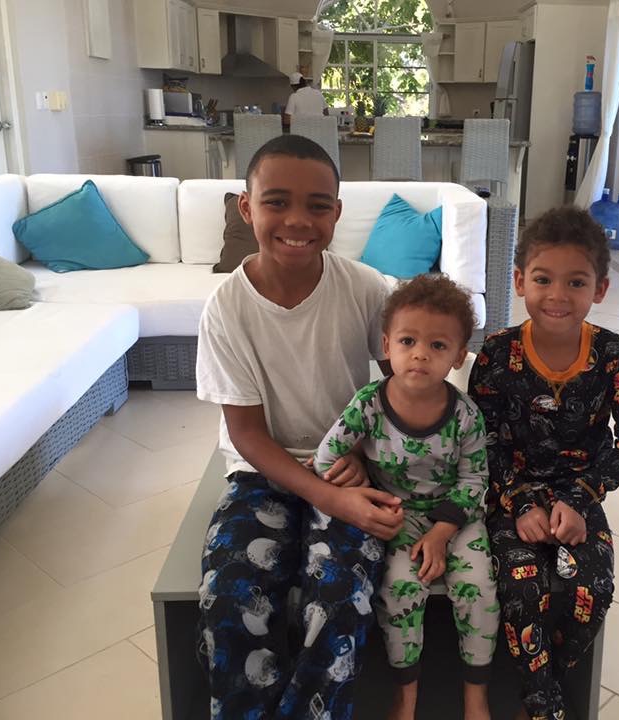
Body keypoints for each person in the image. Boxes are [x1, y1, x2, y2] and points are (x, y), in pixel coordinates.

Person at [195, 134, 405, 720]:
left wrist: (365, 451)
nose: (297, 221)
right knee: (228, 597)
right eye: (276, 202)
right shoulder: (226, 308)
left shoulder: (366, 289)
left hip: (346, 467)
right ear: (247, 207)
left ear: (337, 213)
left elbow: (405, 392)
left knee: (341, 599)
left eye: (317, 206)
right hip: (260, 472)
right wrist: (328, 497)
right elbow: (246, 434)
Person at [468, 206, 619, 720]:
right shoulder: (497, 353)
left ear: (600, 289)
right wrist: (520, 502)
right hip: (511, 495)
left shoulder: (611, 353)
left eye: (576, 282)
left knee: (592, 590)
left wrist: (578, 499)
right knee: (522, 587)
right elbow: (480, 439)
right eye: (543, 279)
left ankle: (541, 689)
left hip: (580, 495)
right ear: (519, 281)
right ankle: (543, 706)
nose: (557, 295)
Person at [314, 275, 499, 720]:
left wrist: (441, 533)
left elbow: (475, 480)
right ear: (387, 345)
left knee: (478, 588)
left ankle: (476, 695)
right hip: (397, 516)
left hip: (457, 518)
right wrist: (359, 478)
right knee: (398, 590)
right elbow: (325, 459)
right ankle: (406, 695)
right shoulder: (368, 405)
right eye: (408, 341)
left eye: (438, 345)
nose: (420, 354)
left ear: (458, 355)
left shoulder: (466, 415)